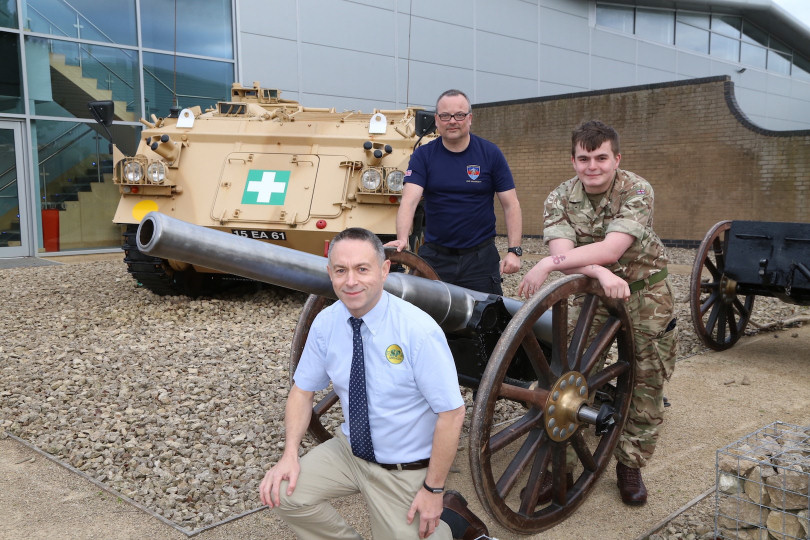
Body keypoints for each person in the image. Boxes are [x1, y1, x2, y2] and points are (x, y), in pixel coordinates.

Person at [259, 227, 489, 539]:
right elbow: (302, 390)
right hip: (349, 451)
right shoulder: (327, 323)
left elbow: (452, 413)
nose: (350, 281)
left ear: (383, 271)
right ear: (330, 274)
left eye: (362, 269)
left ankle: (455, 521)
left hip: (403, 467)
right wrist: (289, 454)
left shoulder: (418, 332)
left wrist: (433, 489)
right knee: (284, 491)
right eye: (341, 270)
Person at [517, 120, 677, 506]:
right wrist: (599, 271)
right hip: (591, 296)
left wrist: (549, 264)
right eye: (584, 158)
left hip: (644, 295)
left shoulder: (637, 190)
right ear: (573, 161)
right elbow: (570, 256)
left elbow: (610, 248)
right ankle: (563, 468)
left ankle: (630, 464)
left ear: (616, 158)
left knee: (646, 379)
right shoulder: (559, 198)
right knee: (569, 380)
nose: (593, 166)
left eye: (601, 157)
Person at [386, 89, 522, 295]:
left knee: (487, 321)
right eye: (445, 116)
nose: (452, 121)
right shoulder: (423, 155)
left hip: (480, 260)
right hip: (435, 259)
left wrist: (514, 251)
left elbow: (511, 204)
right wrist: (403, 239)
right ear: (437, 120)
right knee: (427, 320)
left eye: (459, 115)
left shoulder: (490, 153)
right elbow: (409, 201)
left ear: (470, 119)